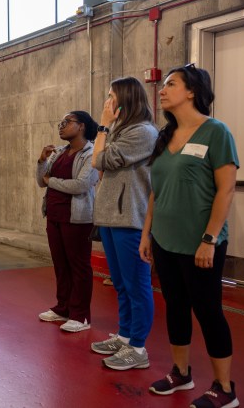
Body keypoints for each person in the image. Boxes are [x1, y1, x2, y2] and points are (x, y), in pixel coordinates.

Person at [140, 64, 239, 408]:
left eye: (171, 84)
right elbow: (157, 190)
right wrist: (147, 233)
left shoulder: (215, 132)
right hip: (165, 240)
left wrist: (210, 239)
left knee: (208, 311)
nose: (162, 90)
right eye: (163, 84)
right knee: (176, 309)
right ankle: (181, 373)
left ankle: (225, 389)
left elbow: (226, 190)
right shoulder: (164, 137)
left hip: (201, 244)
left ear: (192, 92)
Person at [90, 76, 158, 370]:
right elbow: (102, 166)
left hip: (130, 218)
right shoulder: (121, 130)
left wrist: (103, 127)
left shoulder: (143, 132)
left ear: (125, 99)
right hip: (110, 215)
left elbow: (98, 162)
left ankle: (138, 348)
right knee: (120, 283)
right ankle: (126, 335)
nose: (107, 102)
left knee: (136, 284)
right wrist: (107, 131)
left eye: (111, 96)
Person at [36, 111, 99, 333]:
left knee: (79, 266)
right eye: (60, 122)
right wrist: (42, 161)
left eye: (67, 122)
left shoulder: (91, 152)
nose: (61, 127)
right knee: (61, 265)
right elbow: (41, 182)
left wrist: (50, 180)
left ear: (81, 126)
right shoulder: (60, 152)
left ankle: (80, 315)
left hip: (78, 218)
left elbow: (81, 185)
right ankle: (63, 307)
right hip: (54, 215)